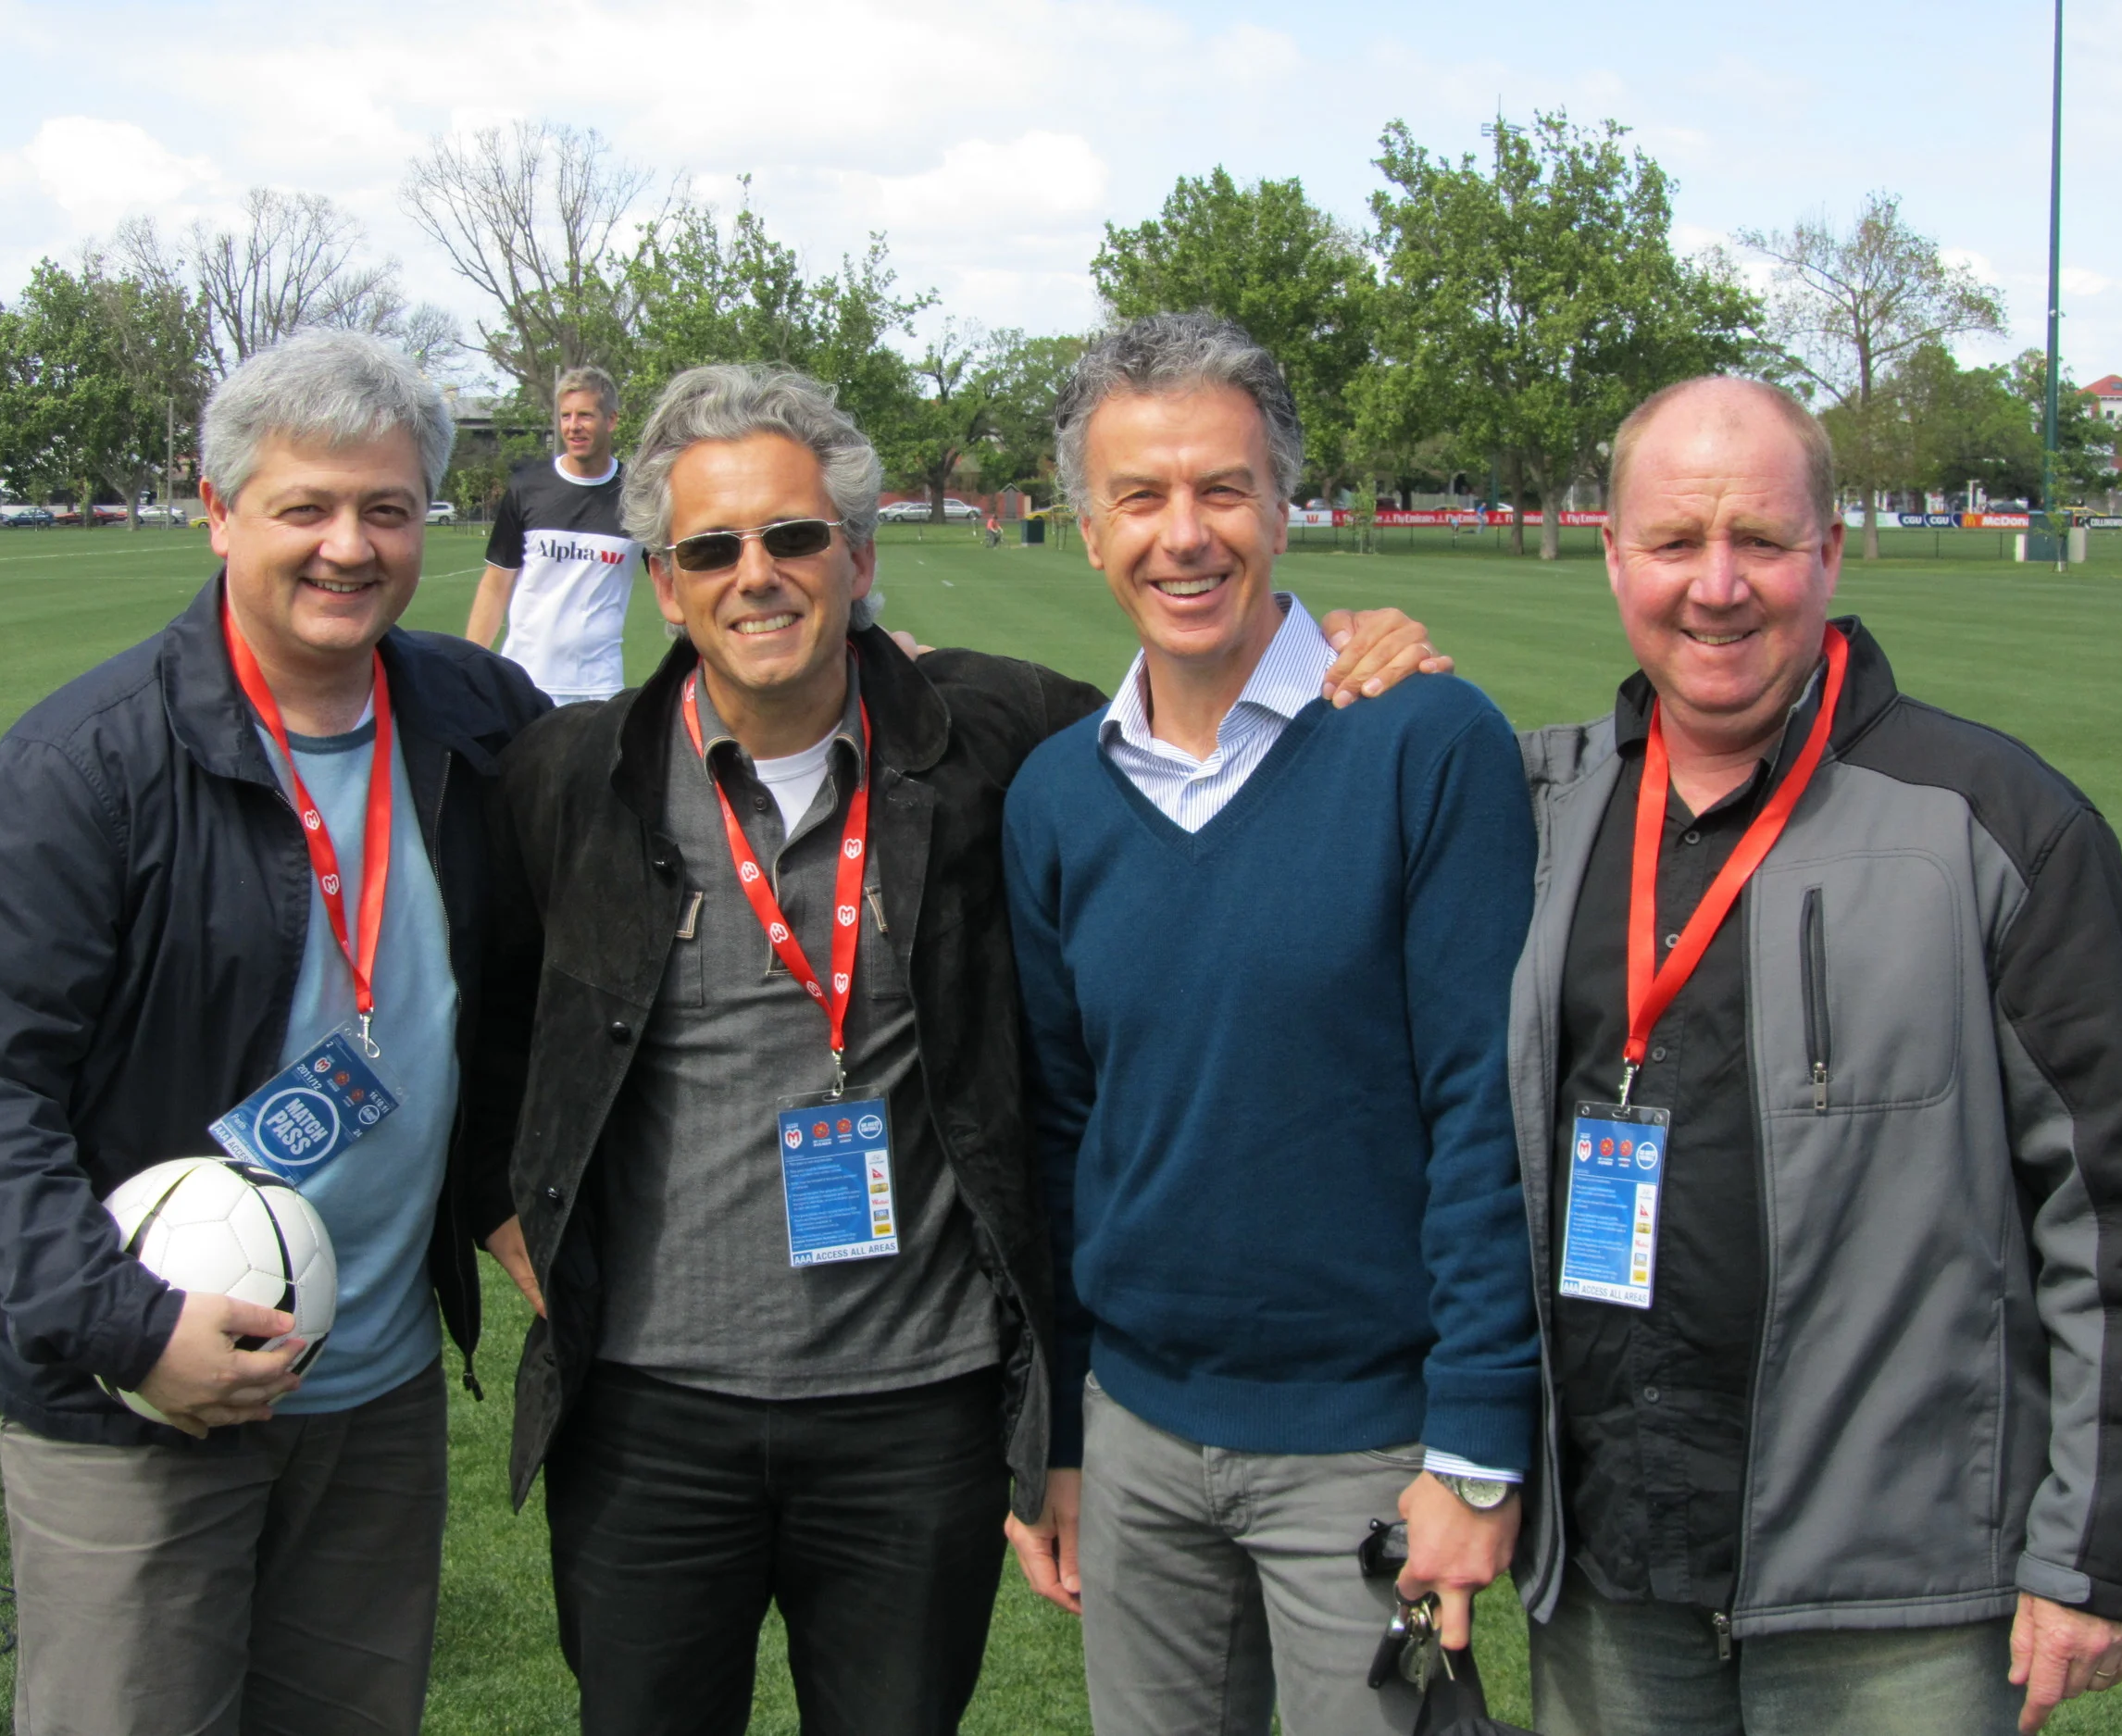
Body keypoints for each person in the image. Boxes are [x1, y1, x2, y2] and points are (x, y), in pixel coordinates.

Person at [466, 359, 1445, 1736]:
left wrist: (1341, 641)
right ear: (664, 583)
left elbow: (1193, 707)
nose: (760, 573)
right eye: (713, 548)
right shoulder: (573, 774)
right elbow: (476, 1012)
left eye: (796, 536)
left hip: (913, 1411)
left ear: (859, 557)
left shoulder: (998, 738)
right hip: (645, 1412)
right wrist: (508, 1218)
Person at [1511, 375, 2122, 1736]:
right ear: (1612, 554)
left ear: (1829, 548)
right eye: (1675, 541)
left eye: (1760, 538)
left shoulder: (2002, 825)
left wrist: (2098, 1549)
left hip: (1898, 1601)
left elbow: (2114, 1212)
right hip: (1606, 1567)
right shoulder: (1530, 807)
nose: (1717, 585)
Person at [0, 330, 551, 1736]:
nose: (349, 546)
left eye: (385, 508)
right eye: (304, 507)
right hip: (135, 1397)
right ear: (219, 512)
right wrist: (132, 1329)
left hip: (370, 1385)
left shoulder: (475, 715)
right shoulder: (91, 764)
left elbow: (586, 904)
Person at [1001, 312, 1542, 1736]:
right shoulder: (1058, 795)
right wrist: (1058, 1432)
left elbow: (1483, 1109)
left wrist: (1477, 1449)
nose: (1185, 535)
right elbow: (1062, 1133)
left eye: (1222, 490)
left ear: (1285, 503)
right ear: (1087, 525)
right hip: (1137, 1442)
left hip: (1375, 1452)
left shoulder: (1429, 742)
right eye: (1141, 496)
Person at [466, 365, 639, 704]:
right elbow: (495, 586)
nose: (573, 427)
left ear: (612, 420)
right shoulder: (527, 488)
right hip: (523, 682)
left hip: (599, 689)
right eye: (565, 416)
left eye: (585, 415)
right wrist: (470, 667)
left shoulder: (638, 495)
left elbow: (676, 582)